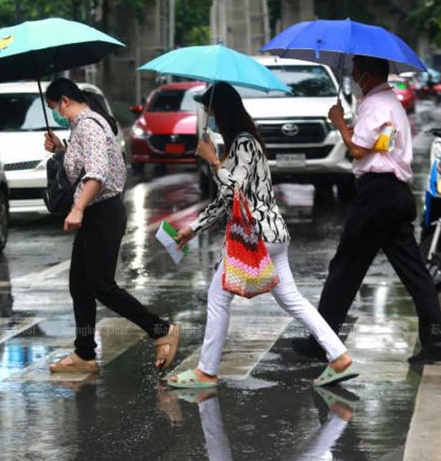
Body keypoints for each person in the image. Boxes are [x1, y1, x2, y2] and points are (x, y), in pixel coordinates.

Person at [167, 82, 357, 388]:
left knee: (218, 297)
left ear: (221, 112)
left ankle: (206, 371)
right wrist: (193, 229)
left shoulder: (243, 144)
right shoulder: (242, 143)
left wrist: (212, 161)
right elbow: (226, 200)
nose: (207, 117)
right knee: (292, 299)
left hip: (253, 236)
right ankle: (339, 356)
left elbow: (235, 188)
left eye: (209, 110)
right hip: (273, 234)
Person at [293, 55, 441, 364]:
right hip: (395, 195)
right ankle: (436, 342)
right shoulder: (393, 104)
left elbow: (359, 149)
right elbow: (379, 145)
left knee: (344, 269)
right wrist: (351, 127)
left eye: (357, 74)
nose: (355, 80)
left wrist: (338, 123)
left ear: (368, 76)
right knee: (415, 273)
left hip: (376, 194)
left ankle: (322, 343)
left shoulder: (375, 104)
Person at [43, 78, 180, 373]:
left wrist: (77, 208)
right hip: (98, 214)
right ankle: (84, 354)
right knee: (79, 286)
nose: (57, 113)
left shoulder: (89, 125)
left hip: (102, 213)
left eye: (55, 107)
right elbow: (81, 165)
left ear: (65, 100)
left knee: (101, 285)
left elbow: (97, 174)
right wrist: (60, 150)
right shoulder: (81, 126)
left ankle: (160, 329)